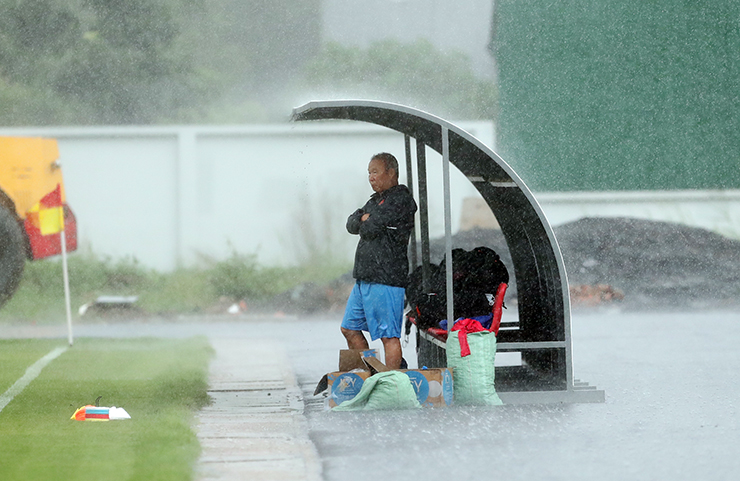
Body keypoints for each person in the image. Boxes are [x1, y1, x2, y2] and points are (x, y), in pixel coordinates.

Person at [341, 152, 417, 370]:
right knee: (349, 328)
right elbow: (351, 224)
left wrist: (366, 220)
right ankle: (371, 374)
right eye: (369, 173)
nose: (371, 177)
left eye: (375, 172)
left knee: (388, 337)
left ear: (391, 172)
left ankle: (391, 385)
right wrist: (363, 219)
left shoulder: (401, 200)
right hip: (365, 276)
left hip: (386, 278)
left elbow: (371, 227)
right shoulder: (374, 200)